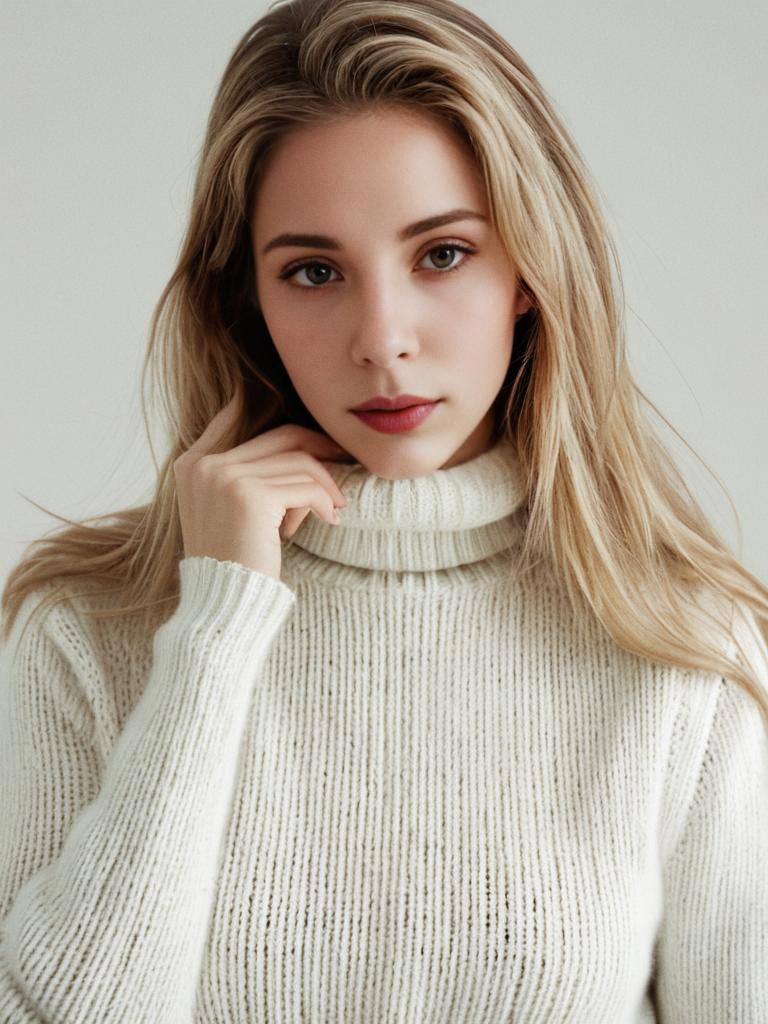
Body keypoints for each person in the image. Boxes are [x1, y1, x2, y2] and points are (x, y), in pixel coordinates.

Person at [1, 0, 766, 1020]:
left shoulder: (677, 646)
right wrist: (215, 630)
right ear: (248, 302)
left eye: (442, 254)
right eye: (314, 272)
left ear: (530, 272)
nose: (382, 338)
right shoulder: (88, 631)